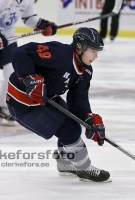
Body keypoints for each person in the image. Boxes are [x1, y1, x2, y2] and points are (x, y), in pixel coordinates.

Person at [6, 27, 111, 182]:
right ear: (80, 47)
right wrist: (30, 78)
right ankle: (83, 168)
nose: (95, 56)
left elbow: (78, 100)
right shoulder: (59, 54)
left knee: (72, 122)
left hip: (46, 98)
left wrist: (89, 119)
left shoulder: (86, 71)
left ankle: (65, 162)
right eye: (93, 51)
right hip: (23, 104)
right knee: (71, 130)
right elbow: (21, 53)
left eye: (98, 52)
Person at [0, 0, 57, 126]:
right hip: (2, 38)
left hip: (8, 40)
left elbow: (29, 16)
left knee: (12, 72)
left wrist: (42, 25)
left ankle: (3, 107)